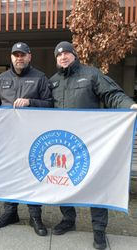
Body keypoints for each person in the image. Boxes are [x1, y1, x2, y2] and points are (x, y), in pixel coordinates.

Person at [50, 41, 137, 250]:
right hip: (63, 143)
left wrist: (130, 105)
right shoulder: (52, 81)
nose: (63, 57)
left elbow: (111, 94)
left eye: (67, 53)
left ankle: (99, 230)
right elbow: (42, 105)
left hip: (90, 143)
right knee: (63, 181)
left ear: (74, 55)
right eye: (59, 55)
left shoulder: (91, 74)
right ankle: (68, 220)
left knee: (95, 184)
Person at [0, 42, 53, 236]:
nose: (19, 58)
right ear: (11, 57)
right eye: (16, 55)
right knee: (10, 174)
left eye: (23, 54)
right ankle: (10, 212)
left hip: (33, 138)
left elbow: (50, 104)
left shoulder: (40, 77)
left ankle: (35, 216)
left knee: (33, 175)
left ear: (29, 57)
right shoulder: (1, 78)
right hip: (8, 139)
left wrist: (30, 102)